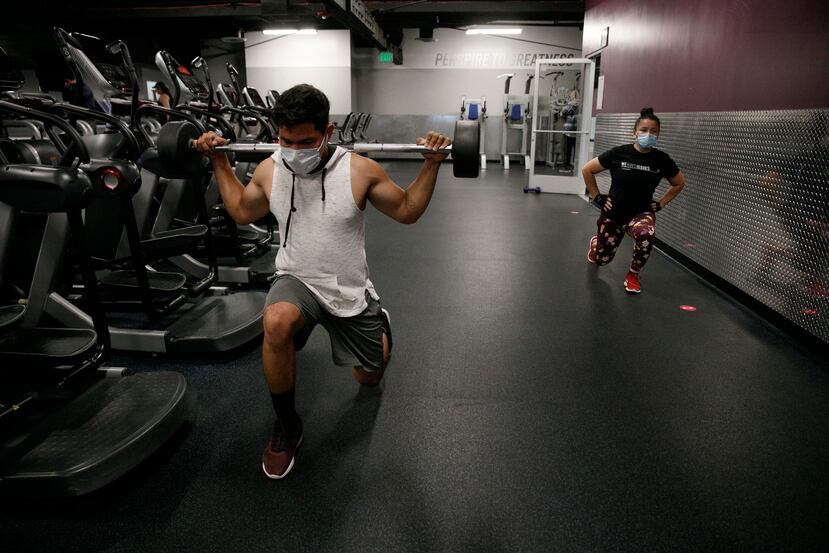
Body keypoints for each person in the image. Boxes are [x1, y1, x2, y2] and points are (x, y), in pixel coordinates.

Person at [192, 84, 451, 479]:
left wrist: (431, 164)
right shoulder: (270, 168)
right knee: (275, 324)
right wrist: (219, 163)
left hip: (347, 287)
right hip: (296, 277)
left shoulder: (359, 170)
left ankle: (379, 327)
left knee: (368, 377)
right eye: (285, 140)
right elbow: (244, 211)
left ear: (327, 132)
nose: (294, 149)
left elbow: (406, 210)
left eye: (306, 141)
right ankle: (287, 425)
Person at [581, 107, 686, 293]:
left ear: (658, 135)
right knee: (602, 259)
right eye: (644, 130)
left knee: (646, 234)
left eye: (654, 131)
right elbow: (587, 170)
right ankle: (597, 245)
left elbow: (678, 183)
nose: (648, 134)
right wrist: (597, 196)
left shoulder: (662, 160)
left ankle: (633, 275)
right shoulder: (618, 153)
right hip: (614, 212)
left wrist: (661, 203)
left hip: (641, 212)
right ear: (634, 133)